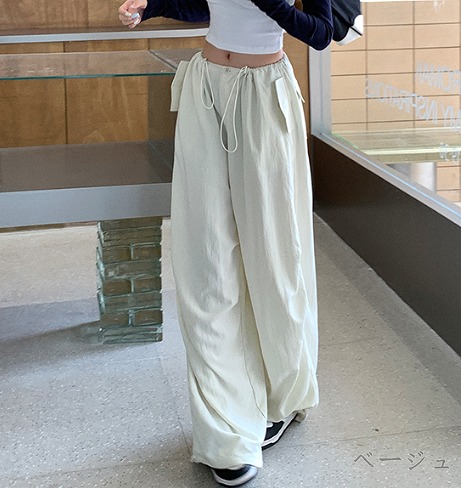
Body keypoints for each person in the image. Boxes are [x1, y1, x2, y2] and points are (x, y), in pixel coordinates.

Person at [118, 1, 333, 485]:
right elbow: (206, 3)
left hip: (266, 94)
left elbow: (322, 33)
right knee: (206, 257)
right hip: (205, 87)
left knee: (274, 259)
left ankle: (281, 396)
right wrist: (153, 6)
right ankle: (226, 430)